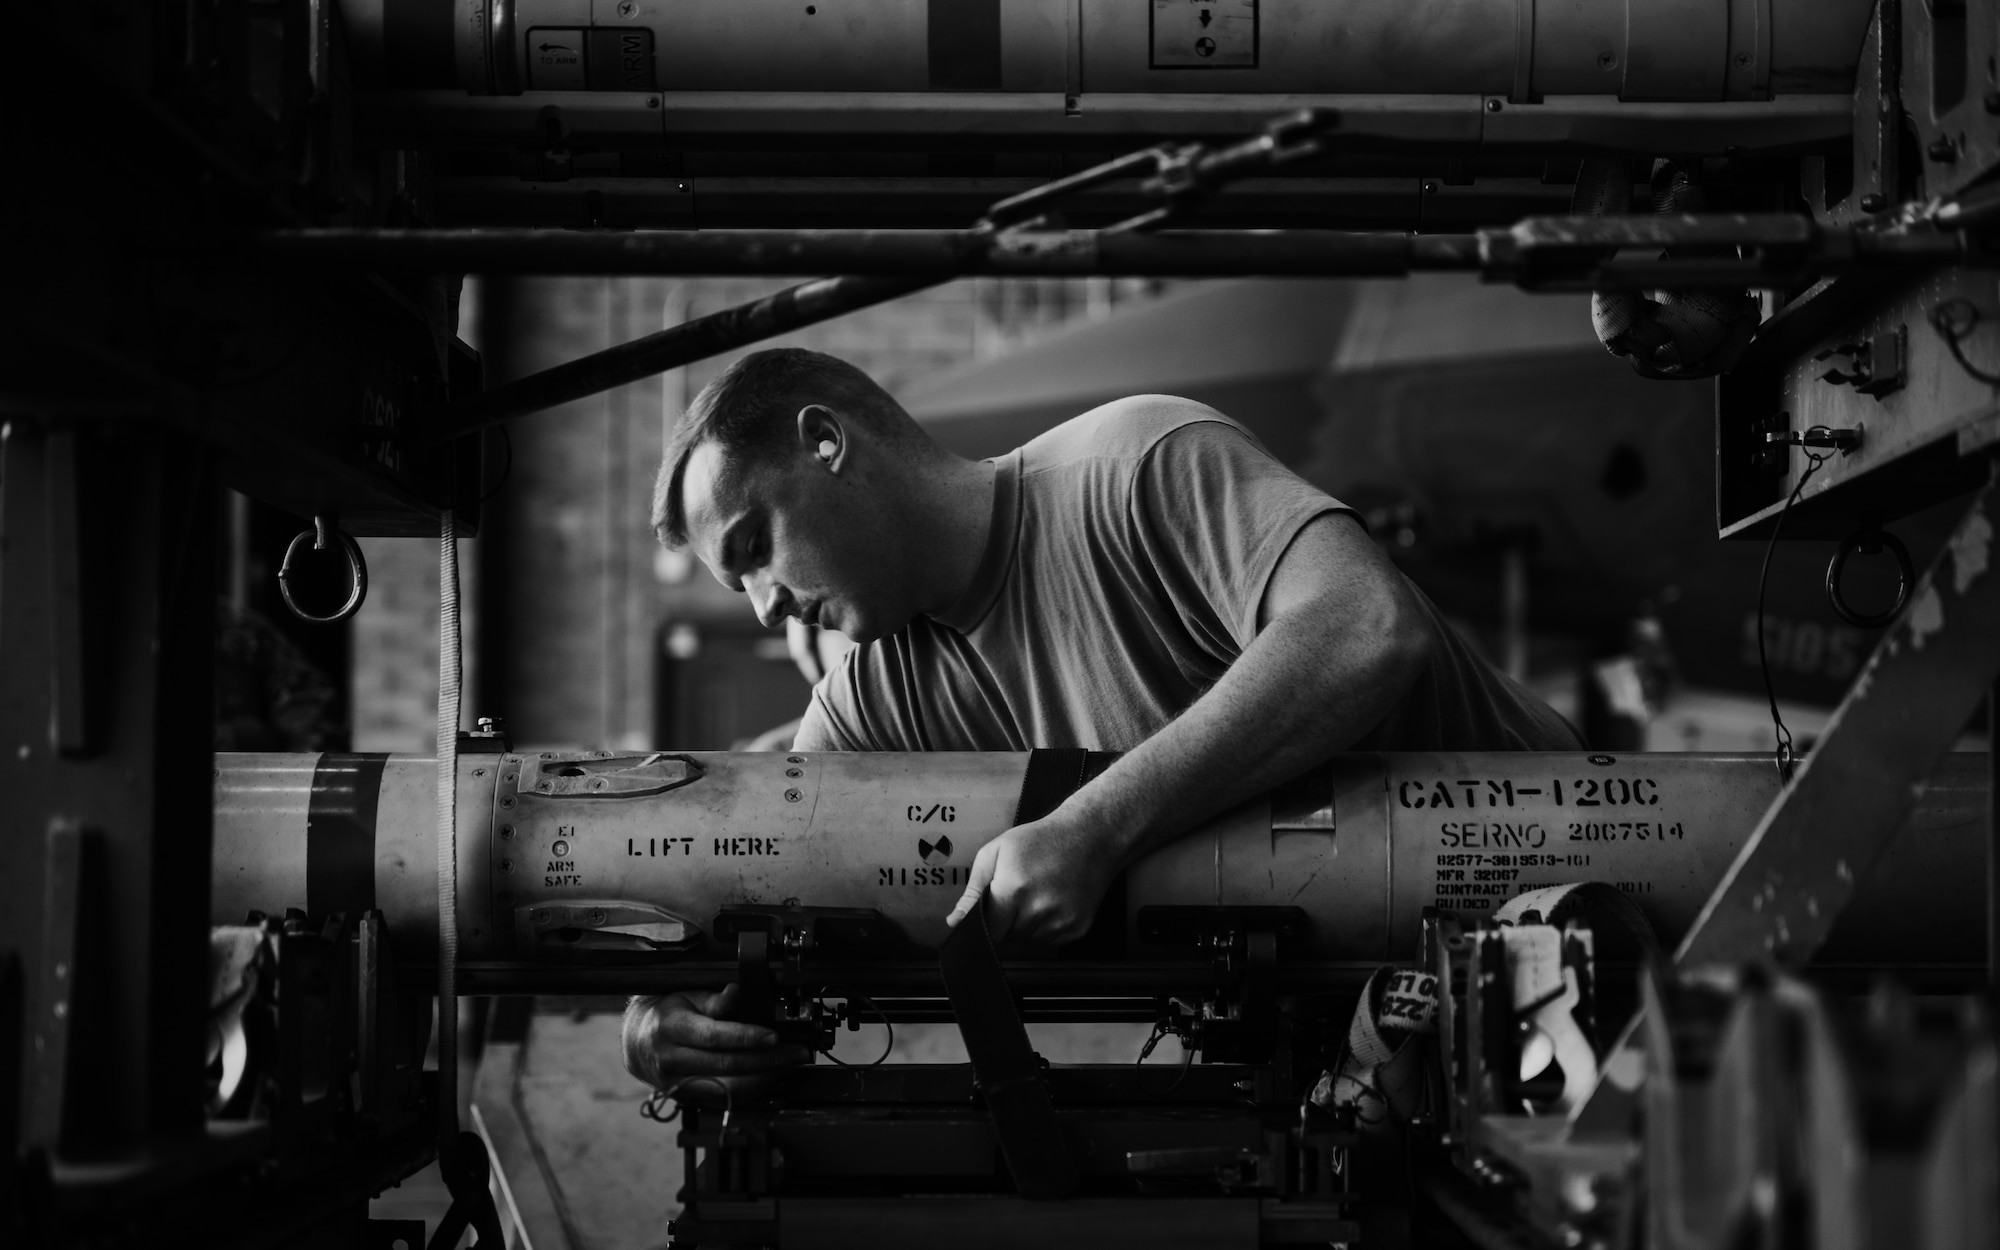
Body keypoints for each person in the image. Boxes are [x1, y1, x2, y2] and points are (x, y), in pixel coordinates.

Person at [621, 347, 1580, 1091]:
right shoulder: (872, 702)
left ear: (825, 443)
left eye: (755, 547)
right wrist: (664, 1016)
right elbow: (777, 874)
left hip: (1590, 906)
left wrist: (1096, 826)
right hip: (1392, 1035)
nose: (762, 607)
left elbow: (1367, 628)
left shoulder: (1136, 467)